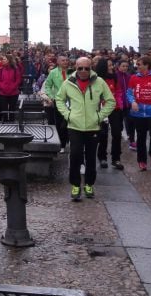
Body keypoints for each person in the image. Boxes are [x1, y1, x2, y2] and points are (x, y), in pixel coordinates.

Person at [56, 56, 116, 202]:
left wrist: (99, 116)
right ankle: (75, 185)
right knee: (75, 155)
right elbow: (59, 99)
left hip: (92, 126)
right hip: (74, 126)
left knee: (90, 157)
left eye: (86, 68)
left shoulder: (99, 82)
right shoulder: (68, 82)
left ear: (91, 68)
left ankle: (89, 184)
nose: (83, 71)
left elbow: (110, 101)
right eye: (80, 68)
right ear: (75, 67)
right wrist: (67, 114)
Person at [127, 56, 151, 171]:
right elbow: (129, 92)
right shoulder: (133, 78)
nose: (136, 66)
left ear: (146, 65)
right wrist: (132, 102)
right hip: (139, 113)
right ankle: (142, 160)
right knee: (141, 137)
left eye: (139, 64)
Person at [95, 58, 124, 170]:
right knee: (103, 134)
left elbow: (118, 91)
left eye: (112, 65)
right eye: (109, 65)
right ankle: (102, 157)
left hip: (114, 108)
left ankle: (116, 158)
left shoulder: (115, 78)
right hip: (102, 108)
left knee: (117, 133)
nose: (111, 67)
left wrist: (119, 103)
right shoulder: (97, 79)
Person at [44, 55, 71, 153]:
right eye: (63, 60)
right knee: (60, 123)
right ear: (58, 62)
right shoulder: (53, 73)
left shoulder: (72, 72)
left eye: (67, 60)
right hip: (59, 101)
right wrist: (52, 96)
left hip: (72, 101)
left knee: (70, 121)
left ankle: (71, 141)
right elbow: (48, 85)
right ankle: (62, 144)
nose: (65, 62)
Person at [0, 54, 22, 123]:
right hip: (3, 93)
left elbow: (18, 80)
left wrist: (12, 87)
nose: (2, 61)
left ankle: (11, 121)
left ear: (9, 60)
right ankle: (4, 121)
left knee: (12, 109)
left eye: (4, 59)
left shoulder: (15, 69)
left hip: (13, 93)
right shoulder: (1, 69)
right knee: (3, 109)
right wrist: (2, 87)